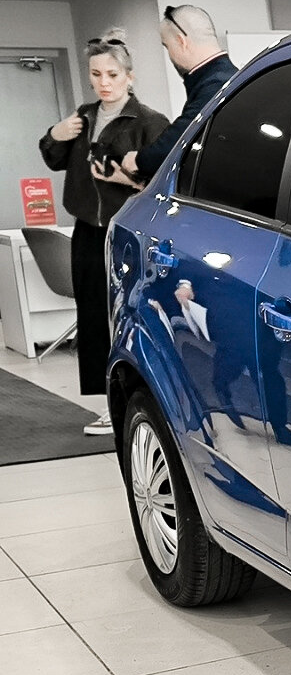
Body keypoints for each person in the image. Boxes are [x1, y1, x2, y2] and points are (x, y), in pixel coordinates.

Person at [37, 29, 168, 435]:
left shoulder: (150, 123)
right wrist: (54, 136)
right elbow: (54, 159)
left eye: (112, 74)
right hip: (88, 230)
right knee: (93, 313)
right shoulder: (84, 117)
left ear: (129, 76)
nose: (104, 83)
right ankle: (108, 401)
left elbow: (165, 183)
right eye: (96, 74)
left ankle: (140, 397)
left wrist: (124, 180)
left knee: (127, 313)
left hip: (129, 231)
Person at [115, 5, 237, 183]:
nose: (170, 55)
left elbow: (179, 141)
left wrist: (138, 160)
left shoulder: (216, 85)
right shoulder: (226, 77)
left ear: (181, 41)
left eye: (167, 46)